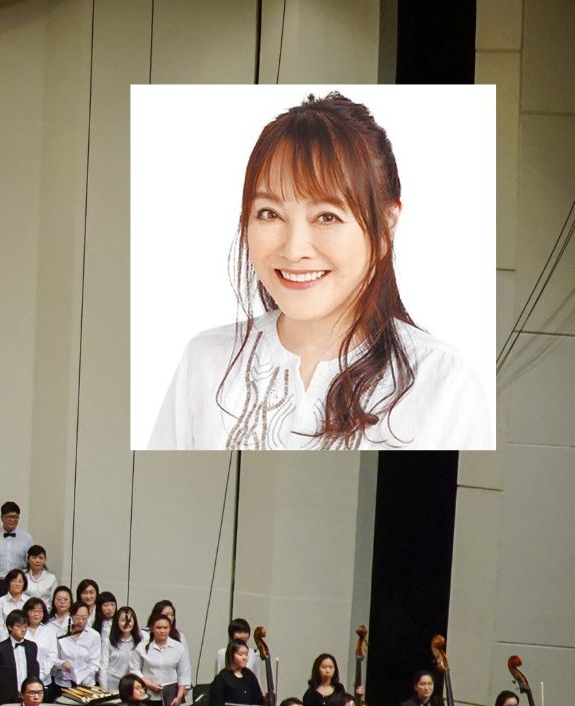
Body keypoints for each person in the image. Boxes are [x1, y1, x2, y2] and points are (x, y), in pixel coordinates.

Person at [146, 92, 492, 452]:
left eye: (327, 216)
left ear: (386, 226)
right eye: (269, 213)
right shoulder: (206, 362)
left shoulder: (443, 385)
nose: (294, 249)